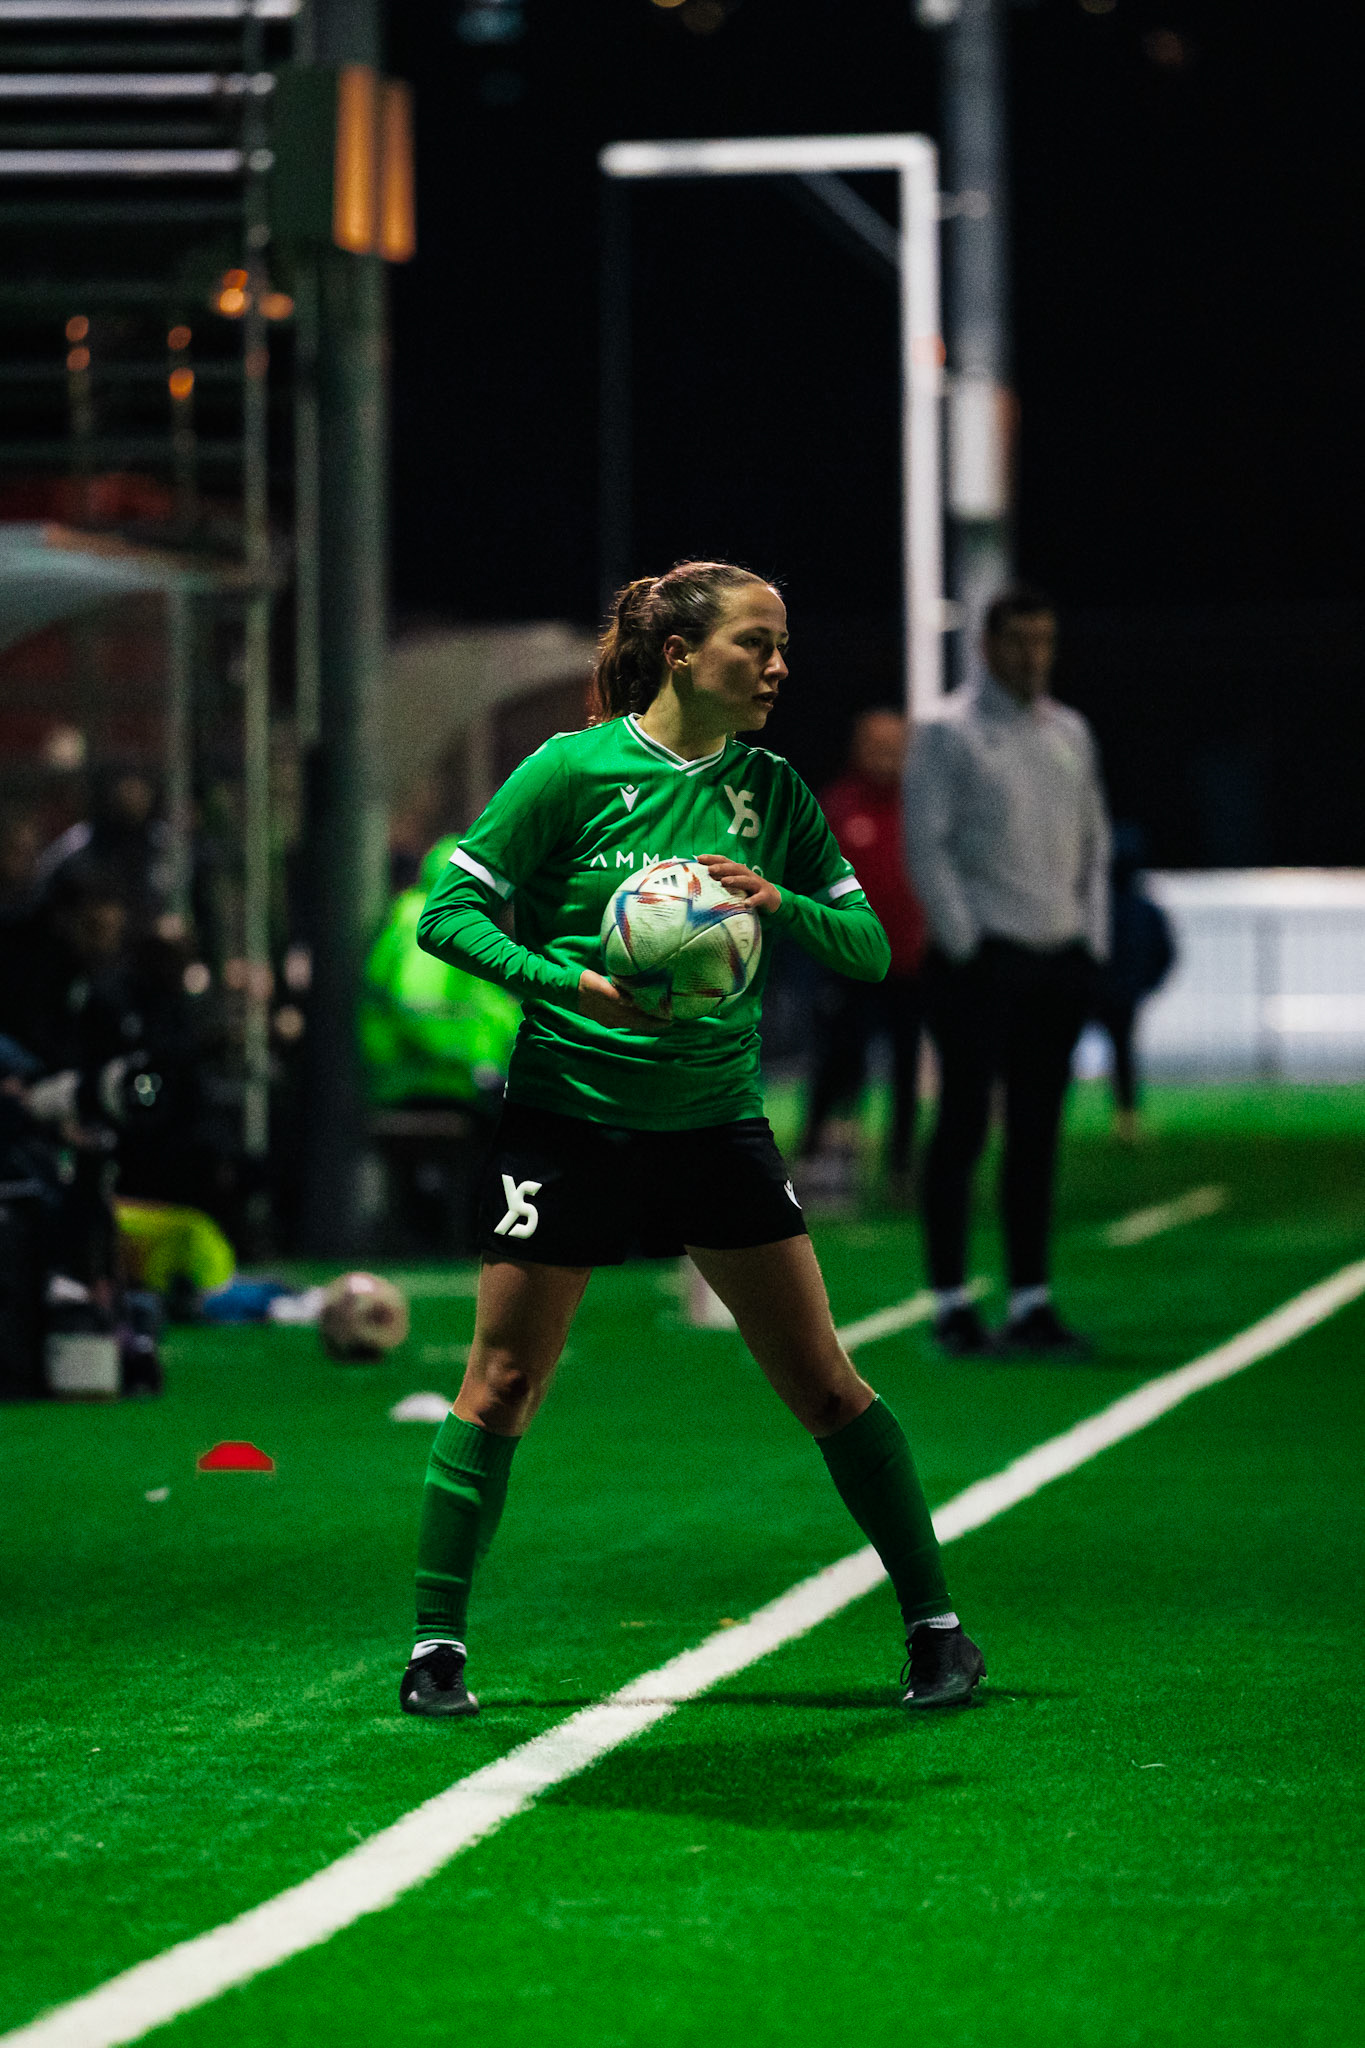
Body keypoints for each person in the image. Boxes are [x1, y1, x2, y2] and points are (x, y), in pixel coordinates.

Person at [401, 561, 985, 1718]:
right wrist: (568, 982)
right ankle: (435, 1645)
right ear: (679, 653)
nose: (778, 667)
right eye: (754, 644)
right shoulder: (570, 770)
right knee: (502, 1381)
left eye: (782, 645)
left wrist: (780, 901)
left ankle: (938, 1628)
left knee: (823, 1381)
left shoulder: (774, 790)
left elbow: (870, 948)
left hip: (714, 1125)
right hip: (568, 1121)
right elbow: (448, 915)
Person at [905, 586, 1110, 1358]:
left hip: (1057, 961)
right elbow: (926, 843)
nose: (1033, 656)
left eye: (1043, 640)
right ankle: (951, 1303)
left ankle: (1030, 1302)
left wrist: (1087, 942)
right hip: (982, 962)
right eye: (1019, 641)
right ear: (986, 647)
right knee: (961, 1128)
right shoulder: (946, 732)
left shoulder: (1069, 731)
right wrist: (966, 943)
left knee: (1036, 1137)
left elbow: (1092, 843)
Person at [799, 708, 927, 1203]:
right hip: (848, 967)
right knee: (836, 1065)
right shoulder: (837, 806)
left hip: (909, 967)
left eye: (895, 745)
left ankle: (900, 1167)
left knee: (906, 1070)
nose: (886, 756)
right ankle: (815, 1157)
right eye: (877, 745)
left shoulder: (922, 806)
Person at [1091, 824, 1176, 1142]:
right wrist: (1146, 985)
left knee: (1055, 1053)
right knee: (1123, 1055)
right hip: (1122, 993)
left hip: (1097, 991)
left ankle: (1038, 1118)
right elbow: (1165, 954)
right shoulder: (1144, 909)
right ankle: (1127, 1120)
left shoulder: (1096, 907)